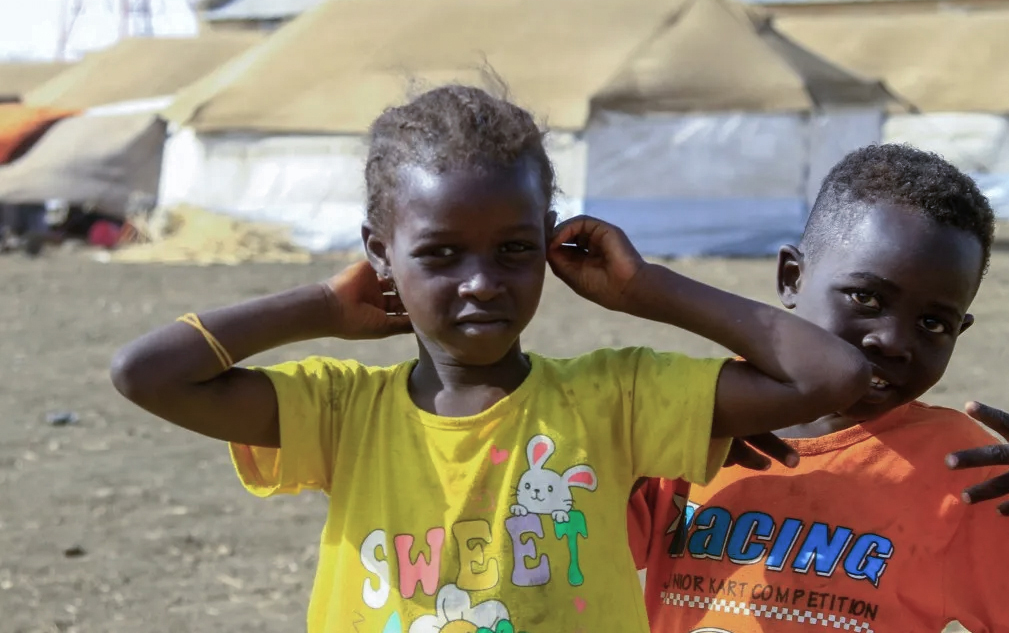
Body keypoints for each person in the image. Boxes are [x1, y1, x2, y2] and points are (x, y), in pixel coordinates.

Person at [110, 84, 870, 633]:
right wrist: (321, 307)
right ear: (380, 249)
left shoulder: (615, 398)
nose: (481, 282)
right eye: (440, 254)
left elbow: (830, 376)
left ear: (547, 239)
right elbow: (145, 373)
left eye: (512, 249)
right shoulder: (340, 412)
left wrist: (647, 289)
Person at [629, 143, 1009, 633]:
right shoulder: (699, 415)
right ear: (792, 278)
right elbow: (569, 551)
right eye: (866, 297)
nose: (893, 342)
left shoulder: (966, 471)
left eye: (933, 323)